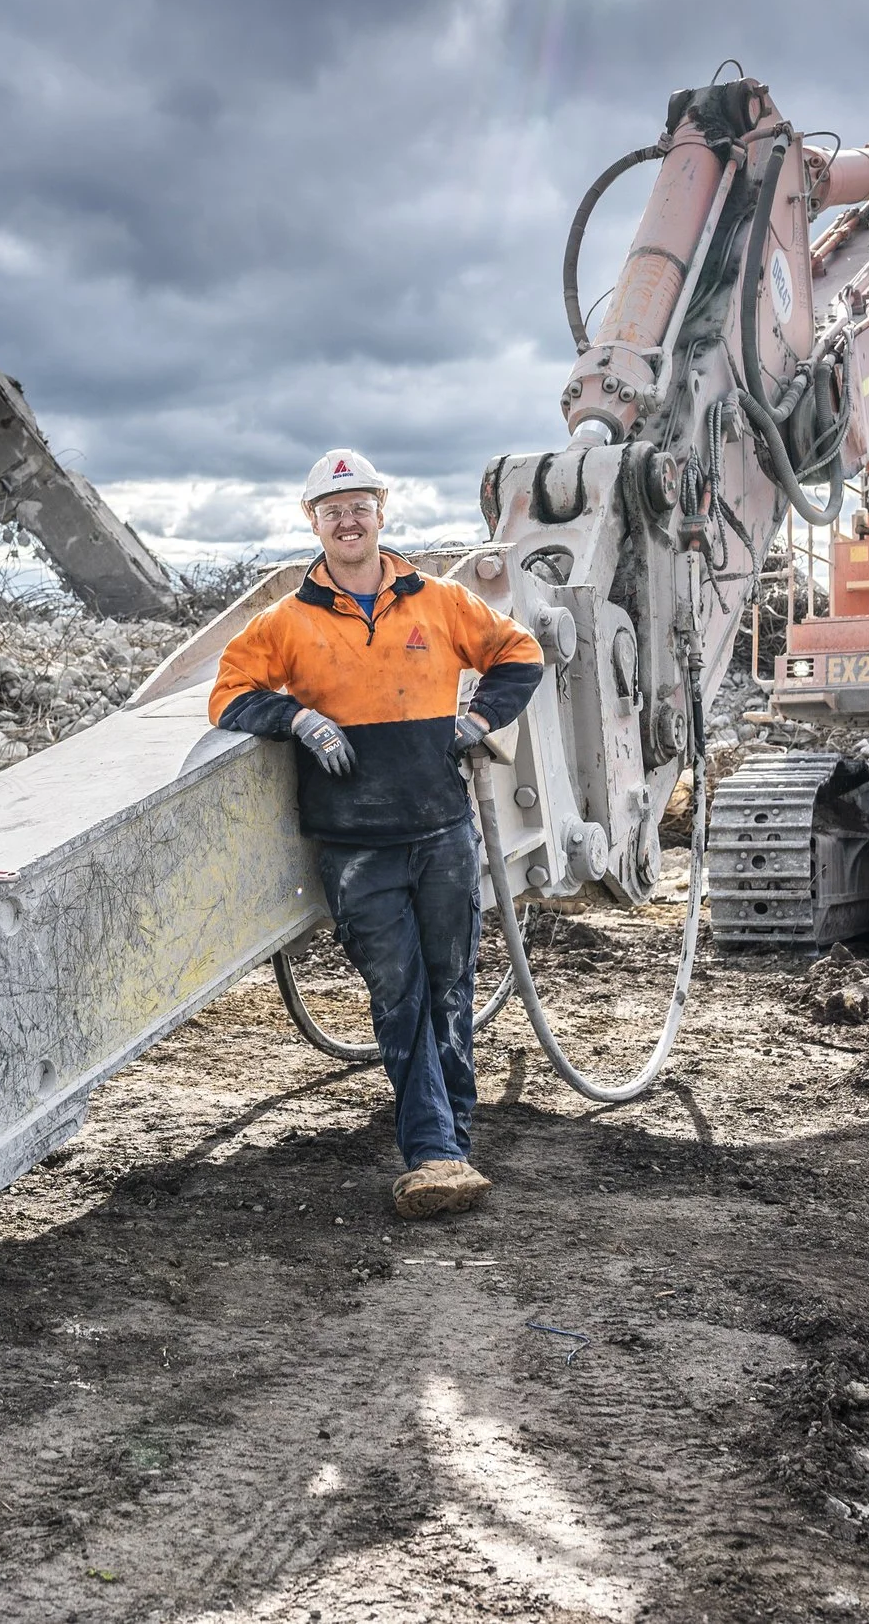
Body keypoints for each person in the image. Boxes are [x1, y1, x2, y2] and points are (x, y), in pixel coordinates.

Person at [210, 449, 545, 1219]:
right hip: (355, 845)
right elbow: (229, 693)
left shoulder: (438, 602)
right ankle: (435, 1149)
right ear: (314, 523)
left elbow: (519, 652)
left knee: (449, 983)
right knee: (399, 991)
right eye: (332, 511)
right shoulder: (287, 623)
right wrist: (296, 715)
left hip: (441, 833)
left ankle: (446, 1148)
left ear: (381, 511)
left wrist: (479, 718)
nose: (348, 520)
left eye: (359, 505)